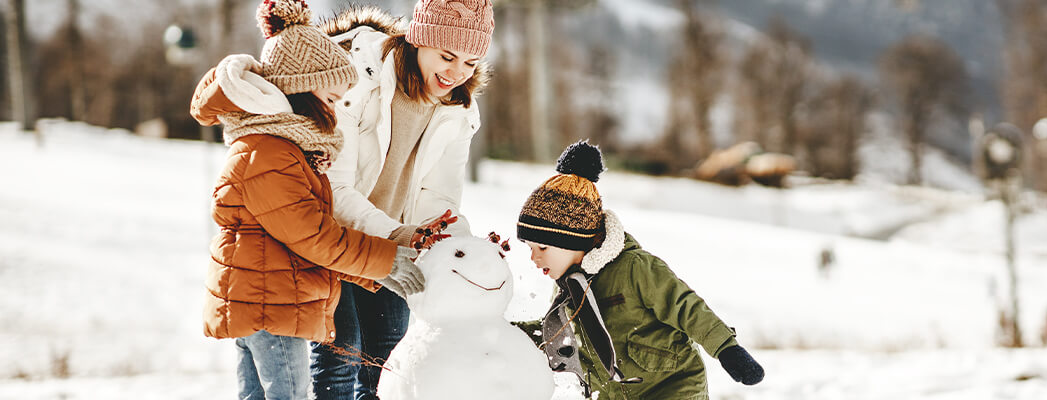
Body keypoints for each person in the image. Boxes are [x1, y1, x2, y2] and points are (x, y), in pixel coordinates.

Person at [188, 1, 450, 398]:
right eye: (330, 99)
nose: (332, 111)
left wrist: (375, 270)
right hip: (269, 305)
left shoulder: (280, 149)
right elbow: (313, 235)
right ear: (299, 87)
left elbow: (311, 241)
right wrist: (384, 259)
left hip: (267, 299)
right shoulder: (269, 153)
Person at [311, 1, 494, 398]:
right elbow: (335, 190)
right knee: (340, 361)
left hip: (392, 246)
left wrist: (456, 245)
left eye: (470, 62)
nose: (456, 73)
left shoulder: (458, 109)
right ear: (418, 40)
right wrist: (399, 234)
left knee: (389, 366)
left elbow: (439, 196)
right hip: (333, 238)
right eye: (447, 57)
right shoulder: (358, 78)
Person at [515, 141, 765, 399]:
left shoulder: (634, 269)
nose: (534, 257)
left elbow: (686, 307)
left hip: (673, 387)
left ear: (574, 241)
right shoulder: (567, 288)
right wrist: (503, 334)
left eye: (543, 247)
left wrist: (727, 349)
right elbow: (556, 335)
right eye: (530, 247)